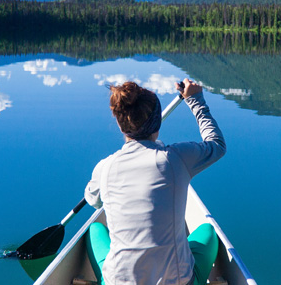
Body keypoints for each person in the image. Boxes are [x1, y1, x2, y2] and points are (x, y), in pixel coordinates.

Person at [84, 79, 225, 285]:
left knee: (95, 230)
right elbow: (216, 145)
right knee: (208, 232)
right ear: (157, 122)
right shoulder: (177, 158)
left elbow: (94, 201)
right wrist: (195, 100)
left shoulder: (104, 168)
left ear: (119, 123)